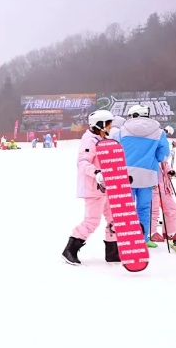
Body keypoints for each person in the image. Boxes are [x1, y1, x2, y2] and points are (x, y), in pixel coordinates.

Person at [62, 110, 119, 265]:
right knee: (92, 221)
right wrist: (97, 173)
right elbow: (83, 162)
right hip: (94, 187)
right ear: (99, 124)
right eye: (108, 124)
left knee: (114, 218)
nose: (110, 127)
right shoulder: (90, 141)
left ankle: (113, 252)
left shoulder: (104, 139)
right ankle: (70, 250)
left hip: (106, 187)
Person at [120, 104, 170, 244]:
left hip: (126, 175)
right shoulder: (159, 132)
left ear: (133, 115)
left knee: (126, 208)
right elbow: (163, 156)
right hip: (148, 176)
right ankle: (142, 238)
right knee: (144, 208)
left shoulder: (122, 130)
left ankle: (127, 238)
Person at [149, 159, 176, 246]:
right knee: (153, 211)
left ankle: (170, 232)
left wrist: (169, 170)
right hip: (153, 188)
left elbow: (165, 164)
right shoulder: (148, 153)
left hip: (165, 187)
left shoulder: (161, 154)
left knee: (171, 208)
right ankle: (151, 233)